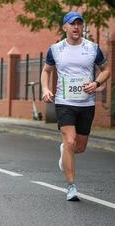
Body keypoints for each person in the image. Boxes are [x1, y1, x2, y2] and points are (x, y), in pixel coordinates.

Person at [41, 11, 110, 201]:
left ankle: (65, 150)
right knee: (70, 141)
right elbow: (46, 71)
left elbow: (106, 70)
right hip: (65, 102)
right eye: (72, 24)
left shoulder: (92, 48)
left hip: (86, 103)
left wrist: (96, 83)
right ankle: (71, 186)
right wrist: (46, 89)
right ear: (65, 28)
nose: (76, 27)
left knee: (79, 147)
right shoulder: (55, 49)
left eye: (79, 24)